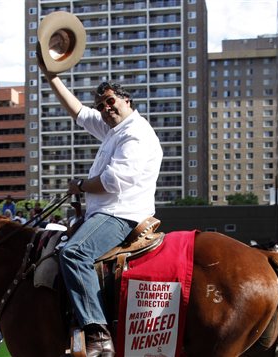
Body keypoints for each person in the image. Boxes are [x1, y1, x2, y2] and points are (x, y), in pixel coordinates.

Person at [39, 51, 163, 355]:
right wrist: (51, 75)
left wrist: (79, 186)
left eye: (111, 102)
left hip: (121, 214)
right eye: (102, 105)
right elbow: (79, 111)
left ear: (126, 101)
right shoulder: (114, 128)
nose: (106, 109)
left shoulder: (135, 134)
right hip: (105, 211)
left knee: (73, 252)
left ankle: (98, 333)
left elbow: (111, 181)